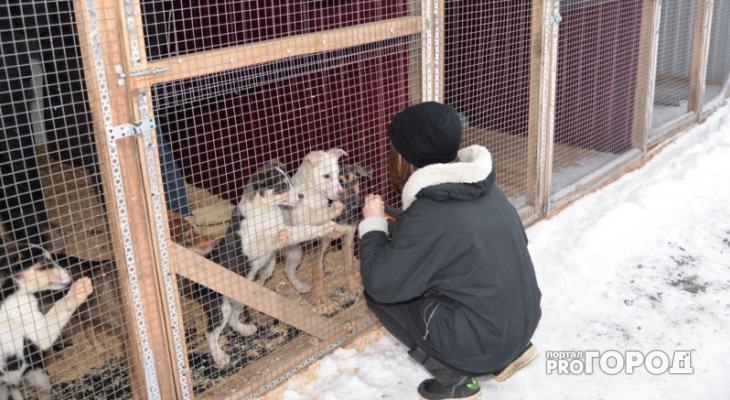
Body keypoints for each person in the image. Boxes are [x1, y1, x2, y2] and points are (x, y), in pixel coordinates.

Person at [358, 102, 542, 400]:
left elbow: (382, 283)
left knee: (380, 293)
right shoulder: (486, 190)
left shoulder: (430, 215)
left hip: (482, 344)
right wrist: (395, 220)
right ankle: (510, 354)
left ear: (405, 156)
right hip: (521, 325)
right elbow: (448, 235)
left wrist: (373, 227)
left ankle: (455, 379)